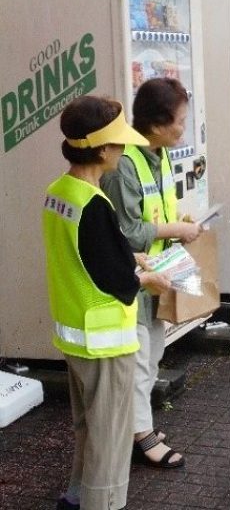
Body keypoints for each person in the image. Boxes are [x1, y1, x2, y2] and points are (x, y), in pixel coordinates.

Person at [43, 96, 172, 510]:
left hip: (74, 335)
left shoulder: (59, 191)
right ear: (101, 150)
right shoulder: (95, 204)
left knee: (88, 428)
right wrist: (148, 277)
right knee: (111, 439)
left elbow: (83, 254)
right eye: (117, 145)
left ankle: (75, 496)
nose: (122, 151)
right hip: (105, 342)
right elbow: (113, 279)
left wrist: (129, 256)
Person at [101, 77, 202, 468]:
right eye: (179, 121)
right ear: (157, 124)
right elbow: (125, 231)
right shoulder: (124, 164)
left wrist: (182, 224)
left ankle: (138, 426)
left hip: (158, 275)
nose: (183, 128)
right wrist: (178, 230)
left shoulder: (156, 155)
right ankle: (140, 435)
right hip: (132, 280)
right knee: (140, 360)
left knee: (153, 352)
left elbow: (152, 215)